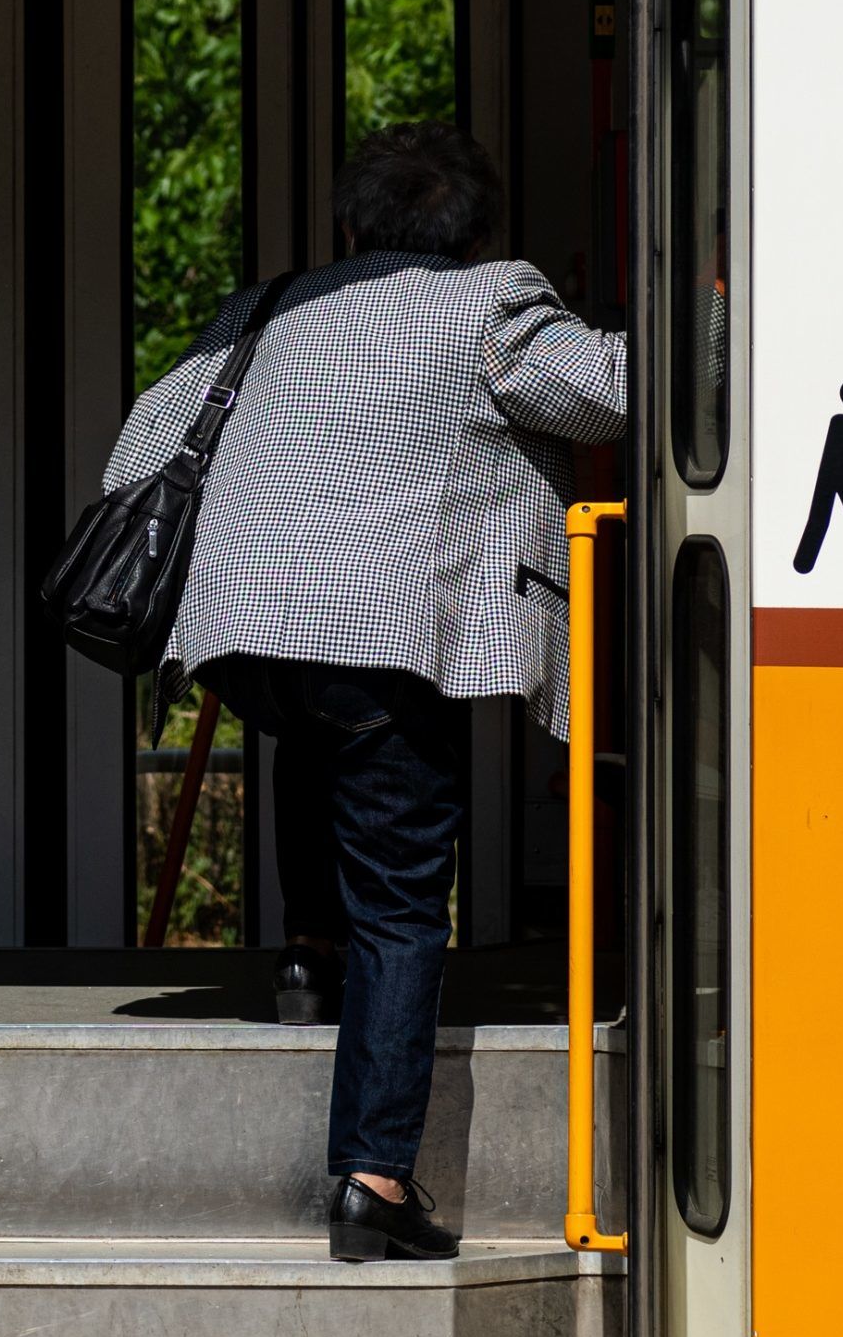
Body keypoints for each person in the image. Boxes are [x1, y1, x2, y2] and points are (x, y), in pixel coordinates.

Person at [100, 123, 626, 1263]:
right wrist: (721, 308)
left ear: (351, 229)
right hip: (379, 634)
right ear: (474, 233)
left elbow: (133, 454)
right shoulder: (494, 302)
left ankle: (304, 953)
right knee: (403, 903)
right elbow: (609, 394)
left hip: (240, 634)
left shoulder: (268, 305)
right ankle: (374, 1178)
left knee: (318, 729)